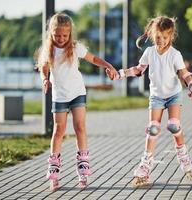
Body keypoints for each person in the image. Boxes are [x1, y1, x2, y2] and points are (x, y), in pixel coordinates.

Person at [107, 16, 192, 187]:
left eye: (165, 37)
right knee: (153, 128)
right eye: (158, 37)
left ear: (171, 37)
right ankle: (145, 166)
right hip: (156, 96)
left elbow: (184, 73)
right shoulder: (149, 52)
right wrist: (120, 74)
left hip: (173, 95)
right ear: (152, 34)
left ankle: (183, 155)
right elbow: (138, 70)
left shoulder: (175, 55)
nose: (161, 41)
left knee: (173, 125)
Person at [36, 13, 117, 190]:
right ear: (51, 33)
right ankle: (54, 171)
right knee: (59, 131)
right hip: (59, 95)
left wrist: (108, 66)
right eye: (57, 35)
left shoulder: (74, 47)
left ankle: (83, 169)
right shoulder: (48, 49)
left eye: (65, 35)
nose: (61, 39)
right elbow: (43, 67)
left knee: (80, 127)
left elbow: (93, 58)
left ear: (70, 33)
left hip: (78, 93)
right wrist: (44, 79)